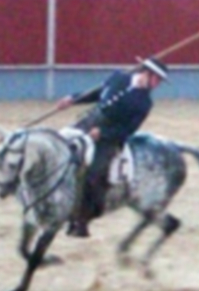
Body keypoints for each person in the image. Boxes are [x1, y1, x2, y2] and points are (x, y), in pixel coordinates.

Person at [56, 57, 169, 238]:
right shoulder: (119, 77)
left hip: (108, 138)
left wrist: (103, 133)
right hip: (90, 119)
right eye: (157, 79)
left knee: (93, 173)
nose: (157, 84)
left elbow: (127, 130)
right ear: (147, 73)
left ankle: (81, 220)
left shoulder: (145, 103)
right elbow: (98, 93)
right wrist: (73, 99)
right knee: (58, 147)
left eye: (159, 81)